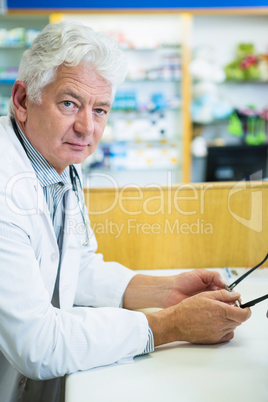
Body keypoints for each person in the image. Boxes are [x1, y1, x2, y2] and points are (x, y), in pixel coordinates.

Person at [0, 21, 250, 401]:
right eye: (69, 103)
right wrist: (167, 326)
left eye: (100, 110)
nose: (86, 127)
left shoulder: (58, 162)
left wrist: (167, 290)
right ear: (22, 100)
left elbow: (76, 267)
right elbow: (38, 345)